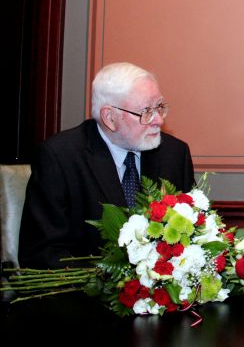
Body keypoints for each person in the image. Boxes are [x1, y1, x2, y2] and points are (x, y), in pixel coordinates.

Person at [19, 62, 195, 269]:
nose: (158, 120)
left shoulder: (174, 153)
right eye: (146, 111)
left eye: (159, 107)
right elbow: (43, 253)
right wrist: (111, 280)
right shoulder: (60, 157)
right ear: (110, 118)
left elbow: (193, 235)